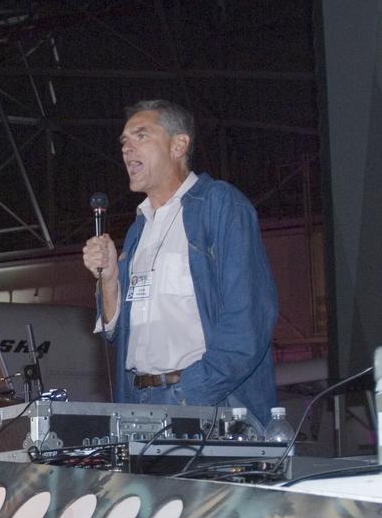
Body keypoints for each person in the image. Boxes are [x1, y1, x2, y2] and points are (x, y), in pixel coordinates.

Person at [82, 99, 278, 424]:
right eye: (124, 141)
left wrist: (191, 392)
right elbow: (115, 333)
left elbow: (249, 318)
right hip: (139, 402)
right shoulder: (137, 230)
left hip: (205, 402)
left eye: (141, 136)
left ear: (178, 145)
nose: (126, 148)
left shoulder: (219, 204)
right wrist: (110, 281)